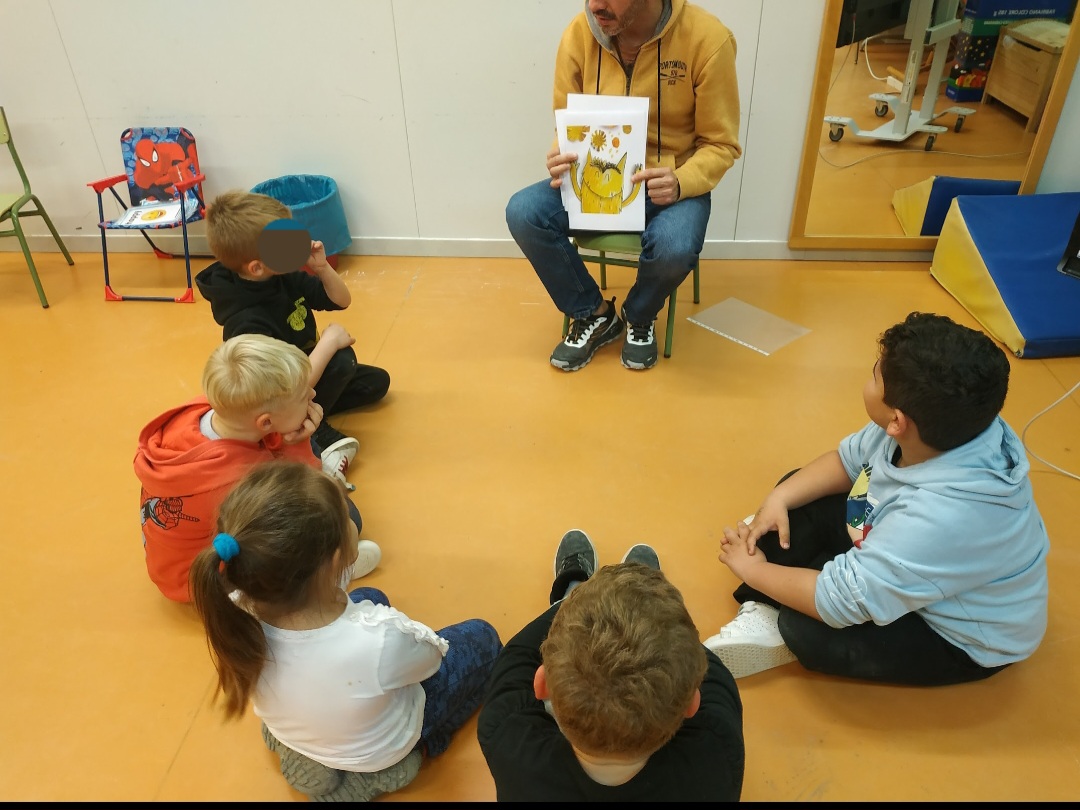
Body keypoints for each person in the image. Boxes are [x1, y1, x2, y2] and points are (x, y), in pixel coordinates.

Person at [706, 312, 1051, 686]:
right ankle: (792, 586)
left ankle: (779, 611)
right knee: (794, 493)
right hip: (904, 550)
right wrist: (778, 498)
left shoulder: (942, 517)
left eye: (874, 374)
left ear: (897, 420)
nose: (868, 379)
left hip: (955, 635)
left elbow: (839, 602)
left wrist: (753, 570)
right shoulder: (941, 426)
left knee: (806, 629)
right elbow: (848, 462)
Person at [190, 459, 503, 802]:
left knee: (370, 596)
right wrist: (397, 631)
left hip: (295, 726)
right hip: (377, 748)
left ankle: (298, 749)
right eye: (347, 515)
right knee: (484, 639)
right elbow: (431, 661)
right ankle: (390, 767)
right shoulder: (379, 640)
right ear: (337, 558)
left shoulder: (234, 605)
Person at [506, 0, 741, 372]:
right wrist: (560, 153)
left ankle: (640, 314)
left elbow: (721, 144)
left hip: (671, 184)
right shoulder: (578, 34)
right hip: (596, 182)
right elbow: (565, 121)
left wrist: (681, 182)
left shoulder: (708, 40)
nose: (594, 5)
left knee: (675, 246)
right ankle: (594, 313)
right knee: (523, 213)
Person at [478, 529, 744, 801]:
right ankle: (636, 589)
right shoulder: (717, 758)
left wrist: (577, 606)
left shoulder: (507, 738)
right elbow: (713, 674)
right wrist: (659, 624)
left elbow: (518, 655)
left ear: (541, 683)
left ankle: (571, 591)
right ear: (691, 704)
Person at [135, 334, 378, 603]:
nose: (312, 394)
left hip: (176, 566)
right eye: (303, 397)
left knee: (305, 450)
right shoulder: (246, 481)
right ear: (265, 423)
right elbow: (310, 496)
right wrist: (300, 446)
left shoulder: (203, 411)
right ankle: (331, 573)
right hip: (212, 583)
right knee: (344, 516)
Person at [195, 189, 391, 490]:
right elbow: (280, 390)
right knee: (341, 360)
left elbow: (341, 300)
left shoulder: (280, 275)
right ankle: (308, 433)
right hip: (280, 395)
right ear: (256, 266)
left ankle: (311, 413)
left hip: (302, 372)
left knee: (376, 383)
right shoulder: (245, 322)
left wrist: (322, 267)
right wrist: (328, 343)